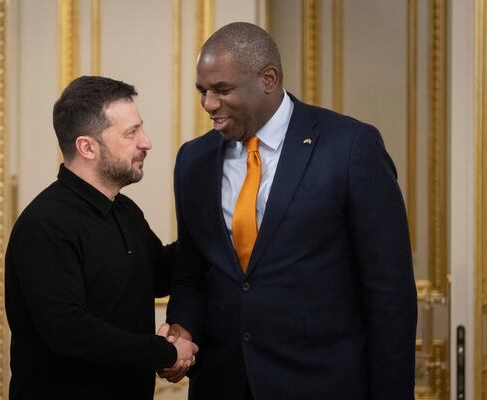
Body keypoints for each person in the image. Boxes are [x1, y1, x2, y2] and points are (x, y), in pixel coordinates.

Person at [162, 22, 417, 399]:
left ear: (268, 79)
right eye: (202, 91)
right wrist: (182, 327)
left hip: (322, 383)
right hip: (222, 383)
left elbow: (389, 292)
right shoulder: (193, 160)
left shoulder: (350, 147)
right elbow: (191, 273)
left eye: (222, 90)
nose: (208, 104)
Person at [5, 76, 198, 400]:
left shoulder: (125, 211)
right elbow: (68, 330)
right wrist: (164, 352)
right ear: (87, 147)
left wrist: (220, 229)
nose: (146, 142)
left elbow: (161, 273)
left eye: (141, 128)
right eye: (131, 133)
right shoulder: (45, 224)